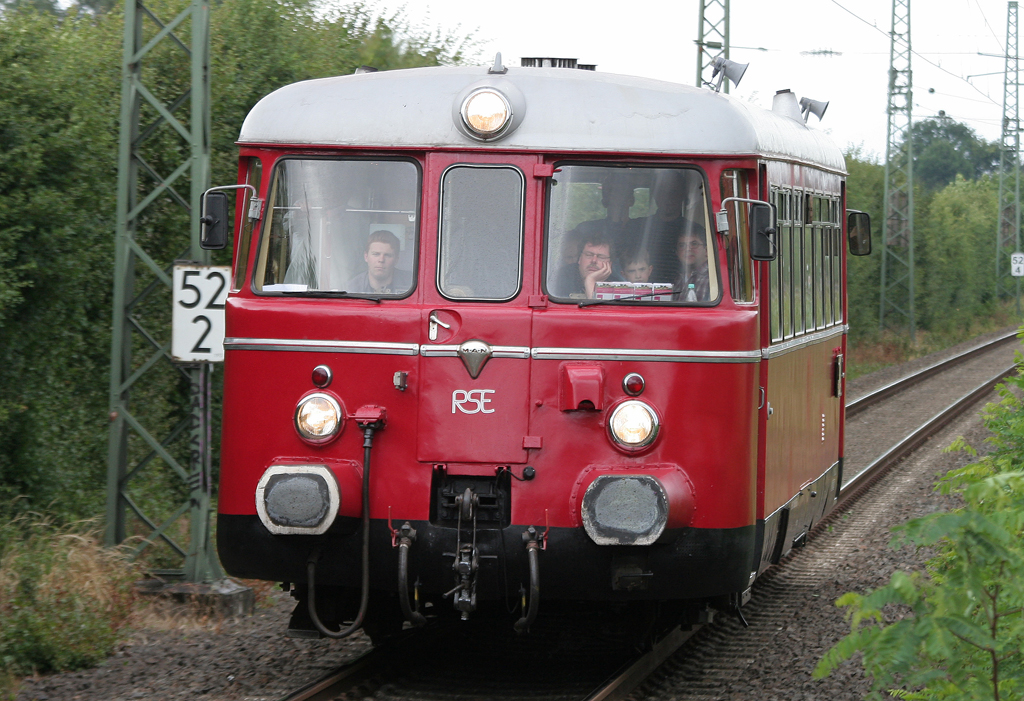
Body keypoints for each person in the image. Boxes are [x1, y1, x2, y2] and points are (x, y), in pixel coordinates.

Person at [345, 230, 412, 294]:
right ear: (366, 257)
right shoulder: (351, 289)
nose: (381, 260)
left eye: (387, 255)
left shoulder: (412, 284)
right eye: (376, 254)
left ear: (396, 260)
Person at [551, 232, 614, 298]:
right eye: (589, 255)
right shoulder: (560, 277)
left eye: (601, 257)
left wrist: (590, 281)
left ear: (610, 264)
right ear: (580, 258)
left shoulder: (615, 284)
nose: (594, 260)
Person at [674, 229, 711, 301]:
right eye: (682, 245)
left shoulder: (714, 278)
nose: (687, 249)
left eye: (694, 244)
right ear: (677, 252)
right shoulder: (677, 278)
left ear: (707, 250)